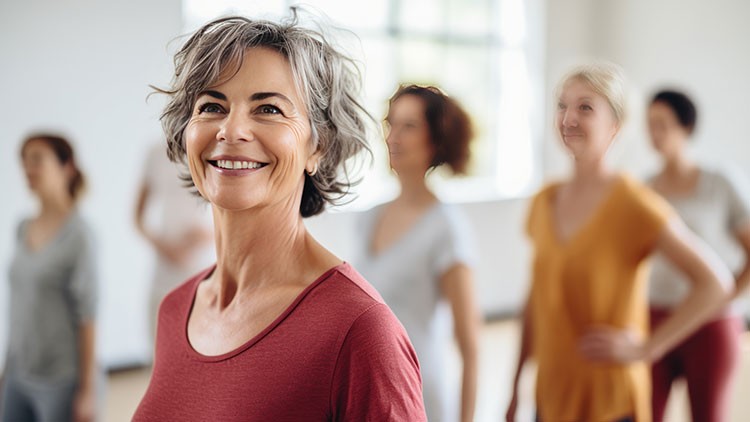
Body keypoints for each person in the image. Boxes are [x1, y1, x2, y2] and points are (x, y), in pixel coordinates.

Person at [132, 15, 426, 421]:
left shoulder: (360, 332)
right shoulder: (175, 309)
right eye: (211, 106)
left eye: (268, 108)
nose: (231, 130)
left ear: (317, 146)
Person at [505, 63, 730, 422]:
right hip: (550, 395)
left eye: (586, 107)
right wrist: (515, 387)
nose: (568, 118)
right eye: (562, 105)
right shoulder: (543, 201)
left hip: (610, 401)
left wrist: (646, 348)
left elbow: (714, 284)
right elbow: (535, 299)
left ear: (616, 125)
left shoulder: (633, 204)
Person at [354, 84, 481, 422]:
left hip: (420, 397)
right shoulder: (368, 218)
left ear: (436, 139)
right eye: (391, 123)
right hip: (370, 395)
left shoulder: (447, 227)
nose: (393, 137)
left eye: (409, 126)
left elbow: (470, 346)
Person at [646, 89, 750, 422]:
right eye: (649, 125)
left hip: (710, 323)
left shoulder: (721, 183)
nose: (654, 134)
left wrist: (726, 299)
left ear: (686, 127)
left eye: (662, 125)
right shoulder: (643, 189)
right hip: (654, 318)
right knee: (642, 413)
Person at [2, 134, 98, 422]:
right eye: (24, 161)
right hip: (18, 373)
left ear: (67, 166)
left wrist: (87, 391)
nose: (28, 169)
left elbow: (88, 316)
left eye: (36, 159)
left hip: (60, 379)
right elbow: (18, 304)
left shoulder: (79, 236)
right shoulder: (22, 227)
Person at [134, 141, 214, 347]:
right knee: (160, 351)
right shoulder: (155, 153)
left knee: (206, 352)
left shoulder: (217, 148)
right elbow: (137, 216)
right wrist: (165, 247)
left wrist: (209, 235)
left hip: (207, 272)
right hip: (164, 271)